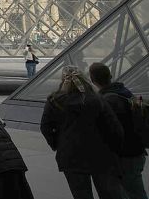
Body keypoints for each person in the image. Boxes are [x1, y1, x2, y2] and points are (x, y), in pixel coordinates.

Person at [41, 65, 126, 199]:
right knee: (109, 193)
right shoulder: (97, 99)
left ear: (63, 80)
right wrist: (115, 147)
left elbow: (45, 127)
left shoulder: (54, 101)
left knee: (81, 195)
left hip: (70, 156)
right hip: (101, 153)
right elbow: (114, 127)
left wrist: (58, 144)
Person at [89, 62, 147, 199]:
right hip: (136, 150)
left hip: (124, 154)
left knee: (132, 192)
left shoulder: (107, 101)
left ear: (92, 80)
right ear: (110, 76)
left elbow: (109, 131)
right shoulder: (125, 93)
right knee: (134, 190)